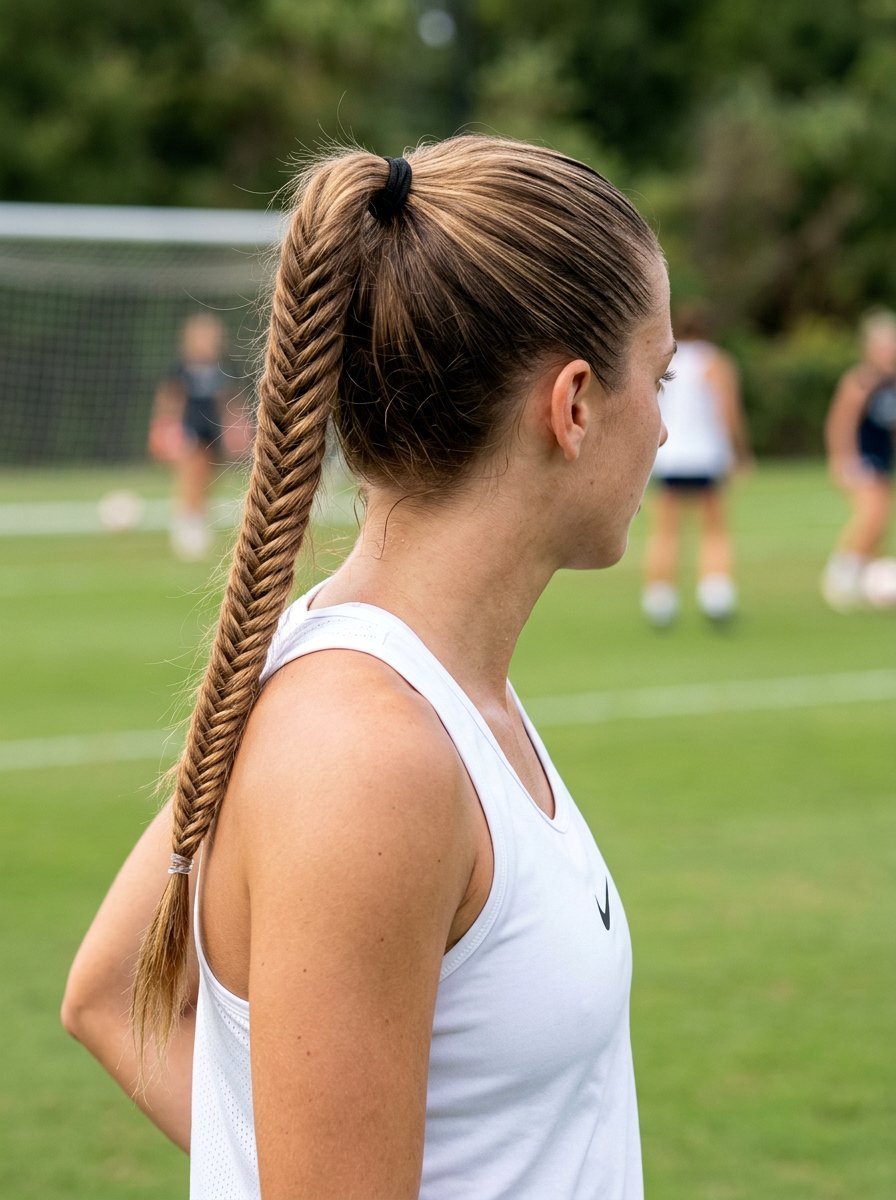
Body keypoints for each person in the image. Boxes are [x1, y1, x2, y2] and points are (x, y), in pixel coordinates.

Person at [62, 137, 674, 1200]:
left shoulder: (416, 686)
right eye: (655, 376)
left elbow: (113, 995)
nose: (666, 427)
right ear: (572, 402)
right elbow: (115, 1001)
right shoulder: (365, 752)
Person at [641, 303, 752, 626]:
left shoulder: (665, 360)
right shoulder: (715, 361)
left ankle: (659, 601)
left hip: (669, 455)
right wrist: (739, 451)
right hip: (704, 456)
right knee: (714, 529)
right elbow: (728, 411)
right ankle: (715, 596)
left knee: (665, 531)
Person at [148, 313, 251, 560]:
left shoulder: (221, 368)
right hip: (188, 426)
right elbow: (170, 397)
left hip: (212, 426)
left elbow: (231, 400)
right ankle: (186, 524)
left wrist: (238, 428)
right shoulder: (182, 367)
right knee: (190, 471)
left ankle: (199, 519)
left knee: (206, 476)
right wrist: (163, 426)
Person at [821, 309, 896, 610]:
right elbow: (840, 423)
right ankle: (839, 577)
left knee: (880, 523)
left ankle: (869, 581)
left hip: (882, 460)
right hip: (861, 461)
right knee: (872, 515)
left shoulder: (890, 382)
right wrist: (843, 461)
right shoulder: (860, 381)